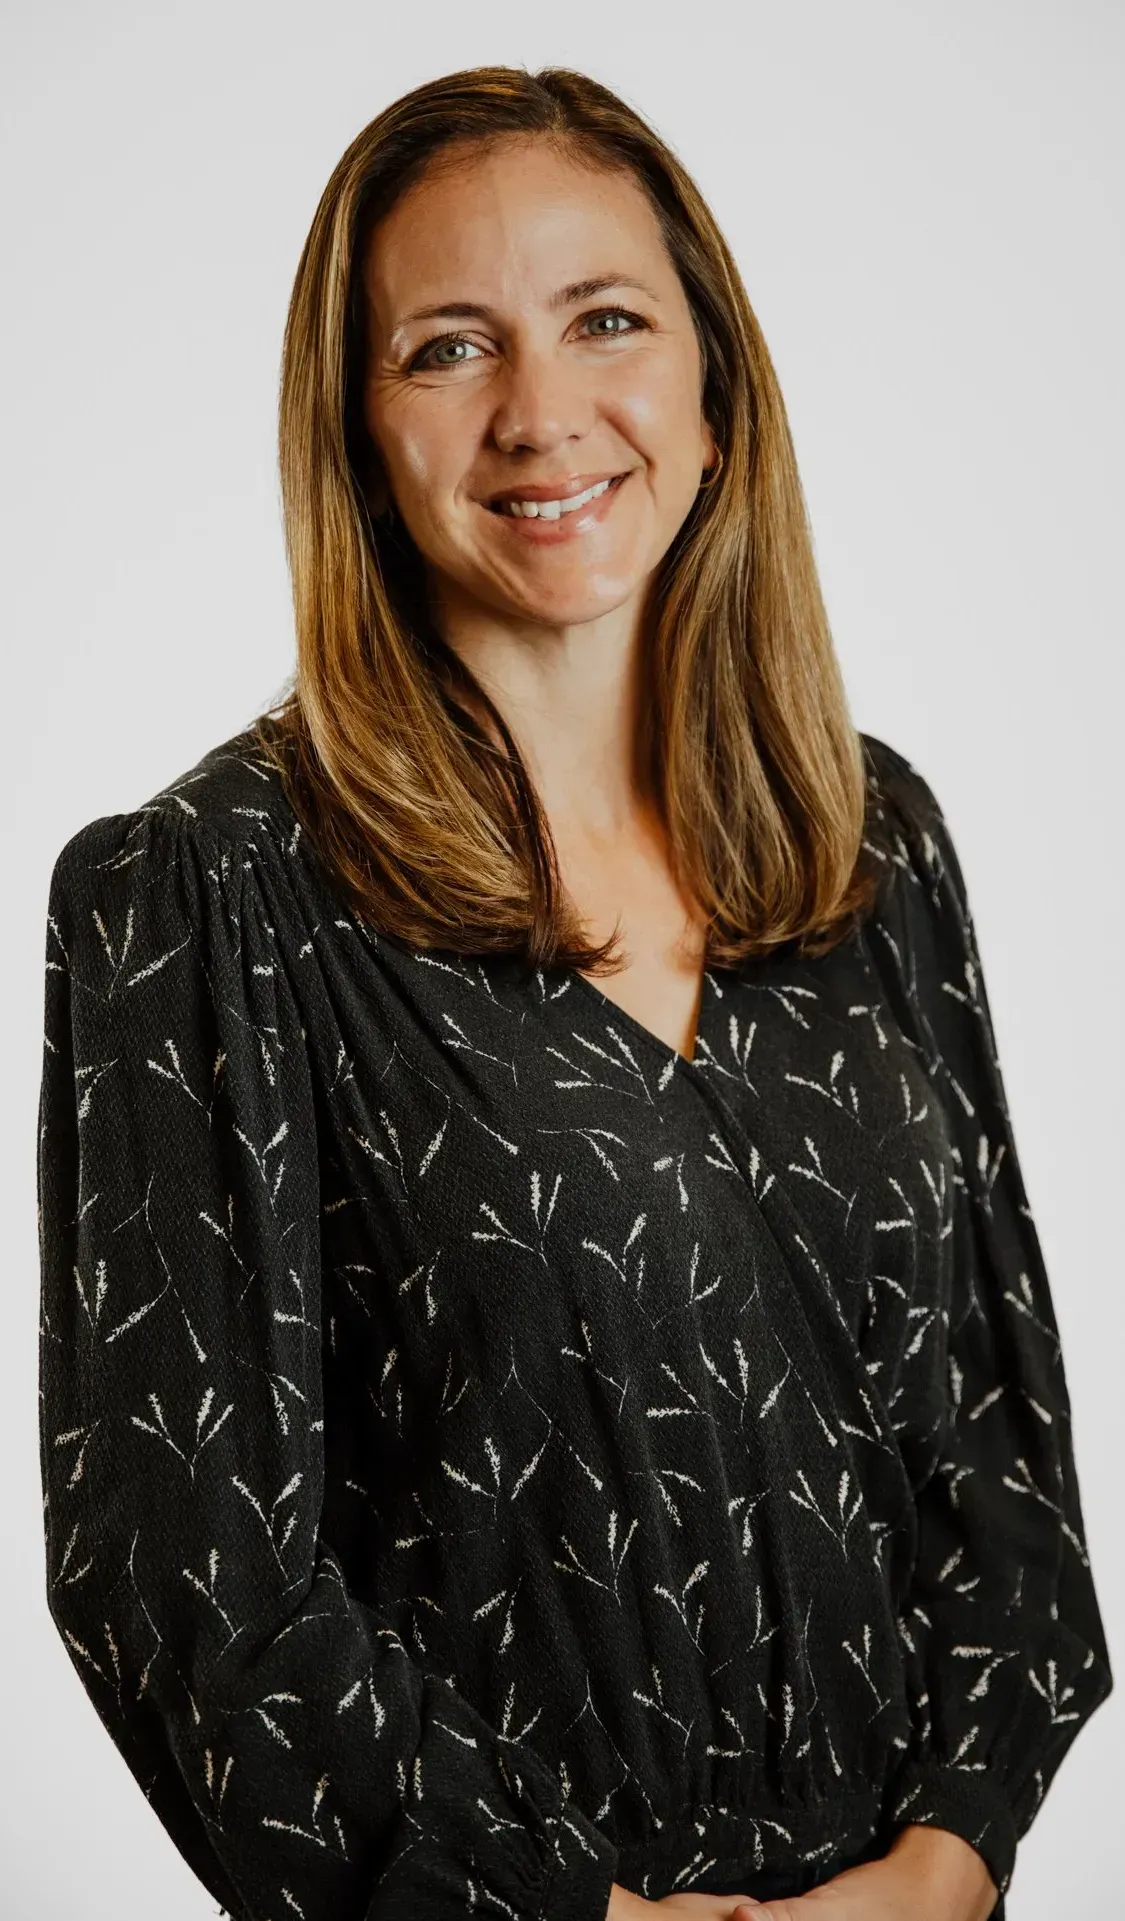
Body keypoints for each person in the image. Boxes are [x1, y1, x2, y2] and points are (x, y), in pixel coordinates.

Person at [37, 63, 1111, 1921]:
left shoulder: (876, 846)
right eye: (447, 349)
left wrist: (947, 1867)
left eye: (605, 320)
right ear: (359, 429)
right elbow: (182, 1577)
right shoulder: (205, 898)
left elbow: (1001, 1445)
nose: (544, 415)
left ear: (712, 387)